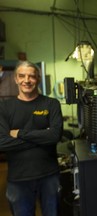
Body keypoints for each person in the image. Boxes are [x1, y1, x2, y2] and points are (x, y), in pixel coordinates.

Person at [0, 61, 63, 216]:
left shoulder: (51, 104)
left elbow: (55, 136)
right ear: (15, 78)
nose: (26, 80)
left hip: (49, 176)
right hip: (18, 179)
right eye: (22, 76)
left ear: (38, 79)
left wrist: (20, 133)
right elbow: (2, 143)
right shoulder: (4, 108)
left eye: (31, 76)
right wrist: (42, 136)